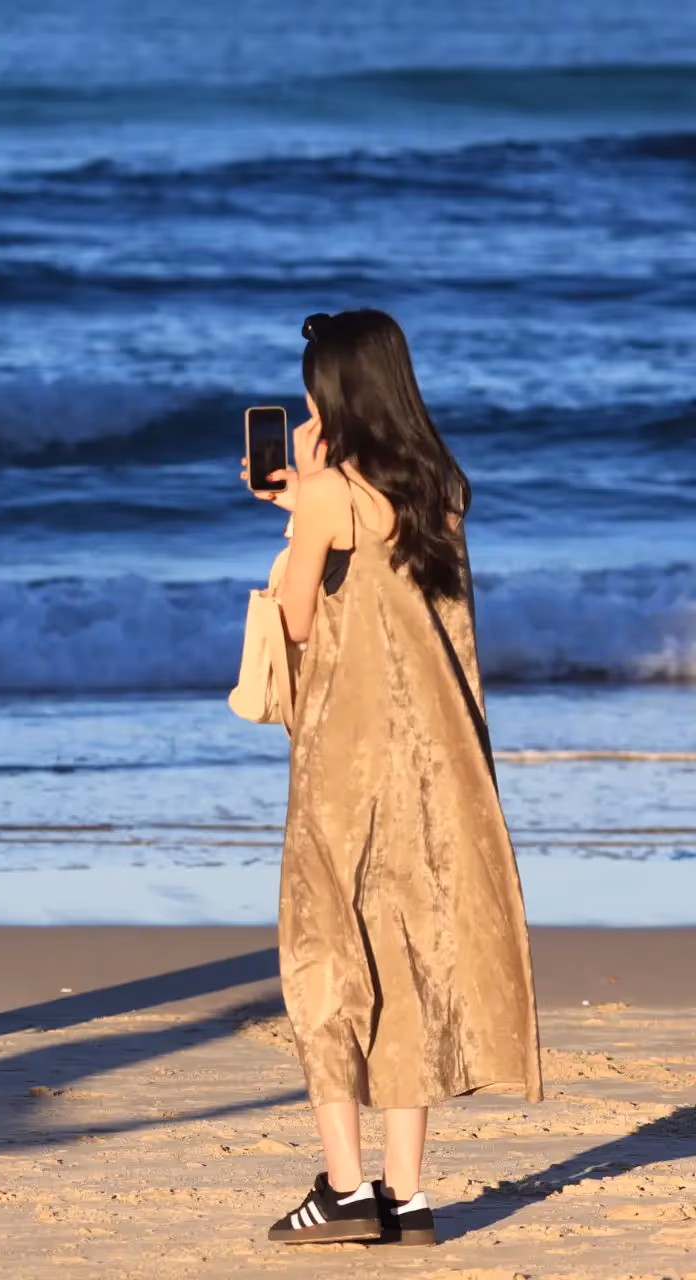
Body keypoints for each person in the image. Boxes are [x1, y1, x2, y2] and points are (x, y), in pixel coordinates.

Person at [242, 310, 541, 1247]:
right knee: (406, 962)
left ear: (331, 390)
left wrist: (301, 503)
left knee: (327, 957)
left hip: (347, 763)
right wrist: (309, 504)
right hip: (438, 765)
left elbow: (296, 622)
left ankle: (342, 1188)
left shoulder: (331, 493)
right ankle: (405, 1198)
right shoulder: (440, 488)